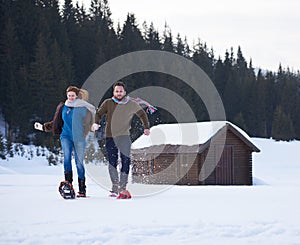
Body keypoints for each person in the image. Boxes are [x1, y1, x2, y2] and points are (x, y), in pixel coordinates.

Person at [92, 81, 151, 198]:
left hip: (124, 136)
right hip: (110, 137)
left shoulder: (131, 104)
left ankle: (122, 187)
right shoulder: (108, 103)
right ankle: (115, 187)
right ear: (113, 92)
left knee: (125, 160)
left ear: (125, 92)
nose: (119, 93)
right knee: (112, 162)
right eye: (117, 91)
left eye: (121, 91)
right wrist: (95, 123)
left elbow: (142, 114)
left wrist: (146, 127)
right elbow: (98, 114)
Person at [34, 86, 96, 198]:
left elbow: (89, 123)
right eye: (69, 95)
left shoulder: (82, 108)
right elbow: (56, 122)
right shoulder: (63, 107)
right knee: (66, 159)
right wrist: (43, 127)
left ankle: (82, 189)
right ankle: (68, 185)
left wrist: (93, 127)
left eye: (73, 95)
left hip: (79, 138)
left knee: (79, 163)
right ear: (67, 95)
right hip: (65, 136)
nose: (71, 97)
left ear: (76, 96)